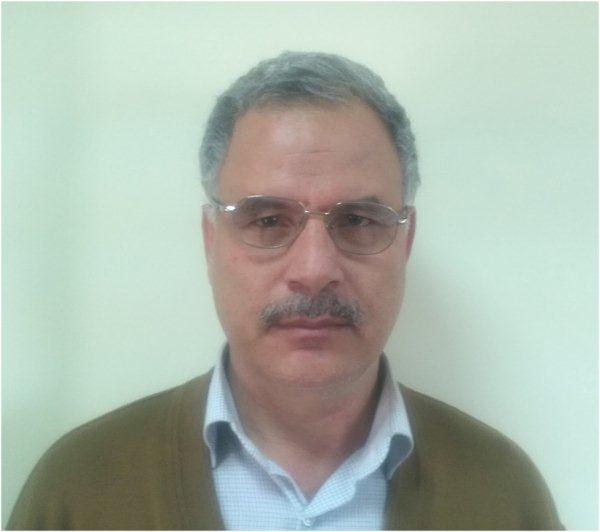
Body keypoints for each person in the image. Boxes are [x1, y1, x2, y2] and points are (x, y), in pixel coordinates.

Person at [8, 51, 562, 530]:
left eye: (359, 220)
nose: (315, 269)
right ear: (211, 240)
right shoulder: (77, 490)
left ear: (406, 241)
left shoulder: (503, 495)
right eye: (268, 220)